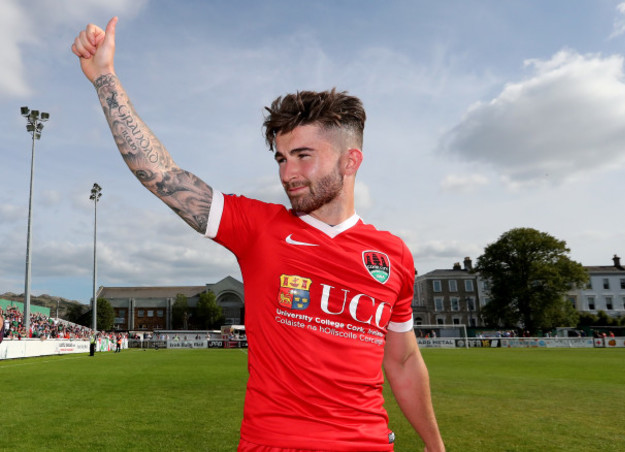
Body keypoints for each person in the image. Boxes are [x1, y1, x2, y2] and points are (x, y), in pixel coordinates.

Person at [72, 17, 445, 452]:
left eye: (303, 156)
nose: (288, 173)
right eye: (281, 158)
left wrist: (434, 446)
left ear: (350, 161)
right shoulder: (259, 228)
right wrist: (104, 79)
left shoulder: (392, 255)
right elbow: (163, 176)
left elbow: (402, 360)